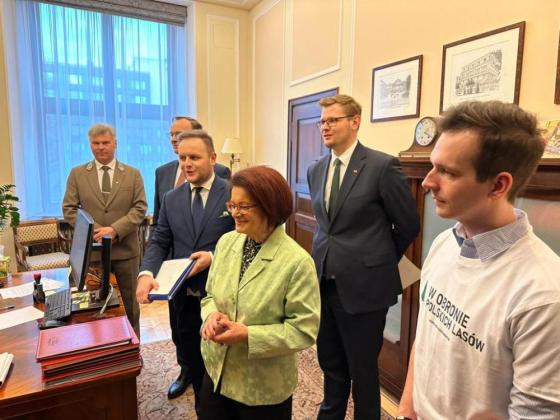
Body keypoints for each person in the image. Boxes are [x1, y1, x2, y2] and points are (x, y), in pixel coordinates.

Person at [397, 101, 560, 419]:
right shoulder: (444, 244)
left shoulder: (543, 295)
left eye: (447, 171)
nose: (428, 182)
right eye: (433, 166)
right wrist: (406, 411)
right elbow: (425, 339)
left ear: (498, 185)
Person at [307, 94, 419, 420]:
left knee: (363, 369)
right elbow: (326, 227)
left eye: (333, 120)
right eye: (322, 122)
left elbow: (408, 224)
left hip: (365, 288)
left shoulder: (382, 167)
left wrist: (377, 260)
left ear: (355, 121)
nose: (325, 127)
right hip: (324, 284)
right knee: (331, 362)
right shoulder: (316, 169)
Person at [199, 166, 321, 420]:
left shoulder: (297, 263)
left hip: (261, 388)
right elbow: (209, 295)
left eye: (244, 206)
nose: (235, 213)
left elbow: (304, 330)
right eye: (232, 205)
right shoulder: (226, 242)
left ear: (270, 207)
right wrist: (210, 315)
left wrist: (248, 335)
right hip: (216, 372)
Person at [136, 129, 235, 415]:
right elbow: (159, 240)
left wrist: (213, 257)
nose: (187, 164)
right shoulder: (171, 198)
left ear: (212, 158)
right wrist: (146, 273)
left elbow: (246, 239)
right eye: (182, 158)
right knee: (190, 353)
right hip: (182, 293)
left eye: (194, 157)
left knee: (224, 361)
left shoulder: (232, 192)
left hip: (222, 294)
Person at [62, 123, 147, 337]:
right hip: (93, 253)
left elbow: (140, 208)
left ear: (115, 144)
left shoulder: (133, 174)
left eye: (106, 142)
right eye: (96, 143)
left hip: (126, 251)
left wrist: (115, 230)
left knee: (130, 306)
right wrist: (98, 231)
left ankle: (132, 346)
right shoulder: (77, 174)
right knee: (95, 307)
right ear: (90, 145)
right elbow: (69, 209)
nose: (101, 147)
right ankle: (101, 345)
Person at [153, 116, 230, 229]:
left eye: (179, 134)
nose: (173, 139)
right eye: (171, 134)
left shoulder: (220, 172)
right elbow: (158, 222)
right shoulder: (162, 172)